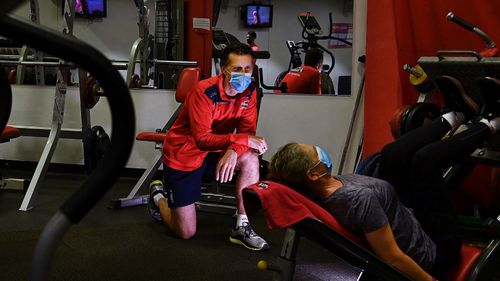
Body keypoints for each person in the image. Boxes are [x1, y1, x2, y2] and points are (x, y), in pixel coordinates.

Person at [267, 76, 500, 280]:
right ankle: (492, 122)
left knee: (392, 154)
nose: (320, 150)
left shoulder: (324, 186)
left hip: (406, 216)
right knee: (425, 161)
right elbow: (394, 259)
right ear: (313, 173)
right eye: (314, 153)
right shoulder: (357, 200)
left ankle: (455, 115)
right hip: (435, 248)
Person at [148, 43, 269, 251]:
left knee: (250, 156)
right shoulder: (204, 92)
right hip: (184, 155)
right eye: (237, 69)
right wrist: (240, 141)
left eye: (247, 69)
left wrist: (233, 150)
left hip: (216, 152)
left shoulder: (250, 92)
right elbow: (202, 139)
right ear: (224, 69)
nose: (243, 74)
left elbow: (247, 132)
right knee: (185, 232)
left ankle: (242, 225)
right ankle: (158, 197)